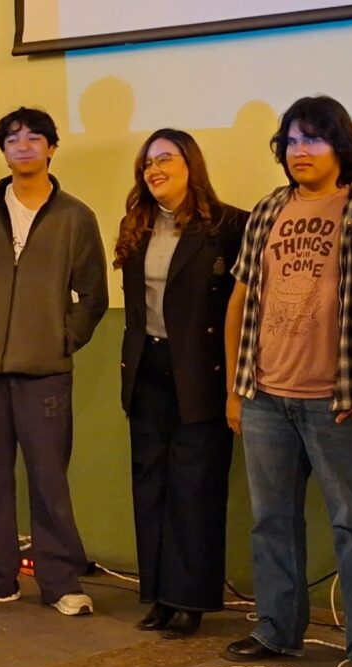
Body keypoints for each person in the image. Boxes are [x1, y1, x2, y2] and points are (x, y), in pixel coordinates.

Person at [223, 96, 352, 667]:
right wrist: (235, 388)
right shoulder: (268, 209)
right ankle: (277, 630)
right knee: (271, 521)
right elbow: (241, 300)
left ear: (340, 146)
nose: (300, 151)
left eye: (313, 139)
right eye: (292, 141)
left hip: (339, 398)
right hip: (265, 395)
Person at [0, 107, 108, 616]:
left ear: (52, 147)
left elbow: (93, 295)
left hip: (45, 375)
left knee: (48, 479)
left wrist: (61, 340)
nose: (24, 145)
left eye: (35, 137)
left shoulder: (75, 216)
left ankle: (61, 583)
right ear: (3, 151)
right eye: (13, 139)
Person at [115, 129, 247, 639]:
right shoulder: (138, 225)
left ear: (191, 165)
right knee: (151, 484)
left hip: (202, 373)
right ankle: (158, 595)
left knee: (195, 488)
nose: (154, 169)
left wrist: (236, 383)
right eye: (147, 163)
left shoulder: (229, 226)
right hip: (147, 367)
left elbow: (242, 307)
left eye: (165, 159)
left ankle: (189, 598)